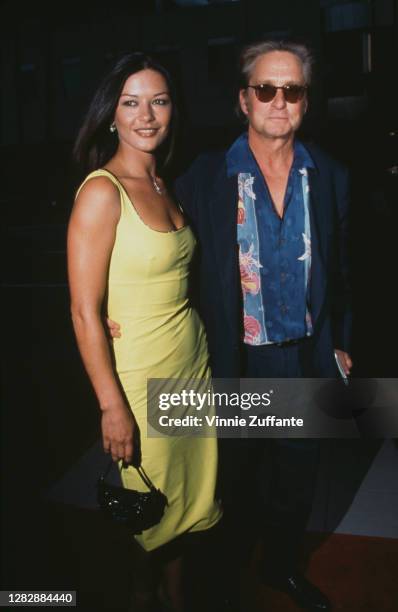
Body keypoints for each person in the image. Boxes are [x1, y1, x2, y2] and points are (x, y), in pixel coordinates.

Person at [174, 40, 353, 611]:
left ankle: (280, 568)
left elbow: (344, 267)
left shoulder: (329, 176)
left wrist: (342, 340)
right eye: (266, 89)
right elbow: (176, 258)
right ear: (243, 100)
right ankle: (222, 580)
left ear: (305, 100)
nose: (279, 101)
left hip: (304, 356)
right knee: (235, 481)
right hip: (237, 361)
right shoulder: (203, 178)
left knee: (297, 482)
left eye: (292, 89)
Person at [67, 52, 221, 612]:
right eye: (131, 102)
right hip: (140, 380)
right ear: (112, 114)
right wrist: (112, 406)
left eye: (159, 100)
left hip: (191, 368)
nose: (146, 115)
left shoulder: (163, 179)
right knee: (146, 512)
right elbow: (85, 311)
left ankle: (176, 598)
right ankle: (140, 596)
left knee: (179, 504)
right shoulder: (102, 191)